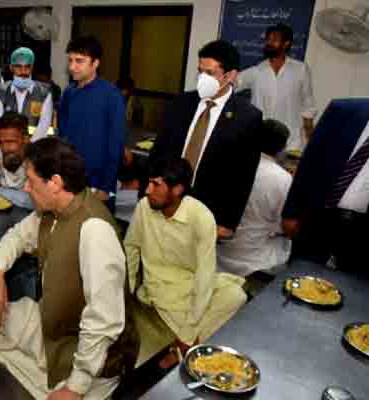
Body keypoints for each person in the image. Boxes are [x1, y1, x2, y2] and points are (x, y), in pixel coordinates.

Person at [0, 137, 137, 400]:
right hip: (51, 327)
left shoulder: (95, 230)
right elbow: (17, 236)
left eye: (31, 181)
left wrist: (76, 387)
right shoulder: (51, 210)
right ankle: (27, 374)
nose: (25, 188)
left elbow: (103, 322)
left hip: (92, 355)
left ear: (56, 183)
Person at [123, 156, 246, 369]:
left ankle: (182, 347)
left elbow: (205, 275)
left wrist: (188, 333)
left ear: (177, 190)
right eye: (148, 182)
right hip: (160, 289)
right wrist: (126, 291)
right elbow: (131, 247)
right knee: (195, 317)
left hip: (191, 284)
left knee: (237, 296)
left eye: (156, 185)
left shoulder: (201, 217)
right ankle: (186, 351)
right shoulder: (144, 207)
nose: (147, 191)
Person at [149, 40, 262, 239]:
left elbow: (243, 175)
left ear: (231, 76)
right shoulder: (181, 103)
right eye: (200, 71)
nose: (202, 78)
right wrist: (148, 191)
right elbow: (159, 151)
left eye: (210, 73)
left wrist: (228, 222)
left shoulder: (248, 117)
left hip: (208, 211)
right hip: (167, 200)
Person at [282, 98, 369, 275]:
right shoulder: (344, 110)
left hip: (363, 232)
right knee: (298, 280)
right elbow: (310, 161)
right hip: (319, 216)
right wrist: (291, 212)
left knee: (354, 293)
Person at [217, 119, 292, 278]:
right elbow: (286, 226)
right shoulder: (282, 178)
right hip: (256, 260)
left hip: (220, 254)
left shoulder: (228, 163)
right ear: (282, 148)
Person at [58, 36, 125, 208]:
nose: (72, 67)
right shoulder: (69, 92)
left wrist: (106, 186)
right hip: (69, 177)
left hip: (97, 182)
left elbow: (115, 144)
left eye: (79, 61)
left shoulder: (112, 95)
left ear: (95, 63)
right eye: (70, 60)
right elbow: (62, 135)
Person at [237, 23, 317, 152]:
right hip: (259, 144)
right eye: (267, 39)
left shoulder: (301, 70)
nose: (269, 43)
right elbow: (230, 84)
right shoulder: (256, 71)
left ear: (286, 44)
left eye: (274, 40)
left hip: (291, 145)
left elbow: (308, 106)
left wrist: (311, 141)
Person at [0, 47, 53, 141]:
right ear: (11, 67)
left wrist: (29, 146)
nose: (23, 71)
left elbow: (44, 124)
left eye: (27, 66)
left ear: (32, 67)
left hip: (34, 148)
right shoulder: (2, 91)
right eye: (18, 66)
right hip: (9, 146)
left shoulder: (44, 92)